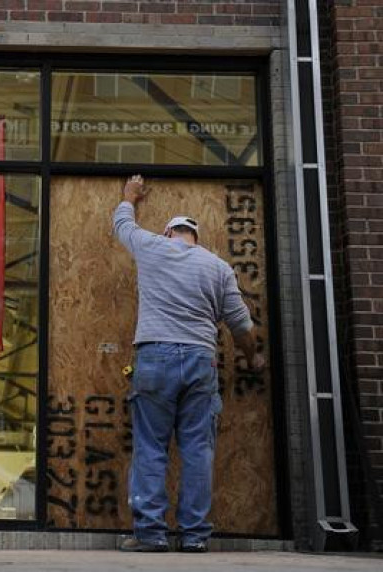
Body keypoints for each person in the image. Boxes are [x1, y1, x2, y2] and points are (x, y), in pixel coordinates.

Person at [113, 175, 265, 553]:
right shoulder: (218, 268)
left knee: (151, 447)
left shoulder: (152, 247)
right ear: (195, 237)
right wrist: (254, 358)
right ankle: (195, 537)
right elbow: (241, 327)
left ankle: (150, 535)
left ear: (168, 233)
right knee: (198, 449)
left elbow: (122, 226)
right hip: (201, 360)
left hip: (155, 357)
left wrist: (129, 196)